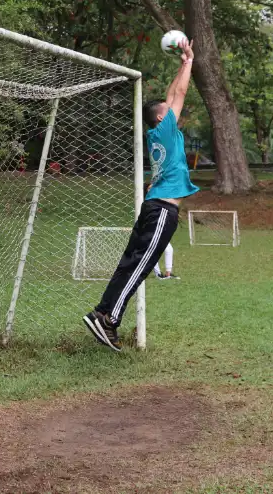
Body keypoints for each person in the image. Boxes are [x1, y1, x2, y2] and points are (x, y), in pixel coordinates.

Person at [83, 37, 198, 351]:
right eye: (169, 111)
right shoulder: (165, 131)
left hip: (153, 207)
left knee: (128, 264)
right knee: (139, 267)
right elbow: (178, 93)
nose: (175, 111)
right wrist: (188, 61)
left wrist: (182, 66)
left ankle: (103, 312)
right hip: (162, 211)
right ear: (161, 117)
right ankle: (107, 318)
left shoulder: (160, 135)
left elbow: (172, 95)